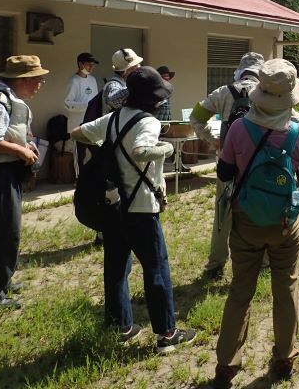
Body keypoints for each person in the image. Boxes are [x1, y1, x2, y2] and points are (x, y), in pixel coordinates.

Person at [72, 67, 196, 353]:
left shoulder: (114, 118)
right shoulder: (148, 123)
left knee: (116, 268)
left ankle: (121, 326)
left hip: (113, 205)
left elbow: (77, 133)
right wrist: (166, 149)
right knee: (156, 269)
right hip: (141, 205)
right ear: (153, 100)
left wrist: (107, 150)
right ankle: (166, 334)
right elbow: (141, 152)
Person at [213, 59, 299, 387]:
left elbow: (224, 173)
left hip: (245, 220)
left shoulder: (239, 128)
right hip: (285, 222)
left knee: (240, 290)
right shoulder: (296, 131)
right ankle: (284, 357)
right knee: (286, 286)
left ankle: (226, 365)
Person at [0, 55, 48, 312]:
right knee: (5, 234)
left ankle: (0, 282)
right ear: (22, 80)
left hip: (4, 174)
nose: (40, 84)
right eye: (37, 79)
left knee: (4, 232)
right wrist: (21, 151)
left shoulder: (9, 99)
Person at [189, 52, 264, 280]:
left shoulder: (223, 92)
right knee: (261, 209)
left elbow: (195, 116)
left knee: (223, 213)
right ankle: (264, 262)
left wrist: (212, 140)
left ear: (240, 70)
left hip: (227, 162)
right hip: (260, 163)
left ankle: (216, 264)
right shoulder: (267, 91)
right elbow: (292, 120)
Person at [64, 52, 100, 174]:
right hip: (77, 125)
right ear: (80, 64)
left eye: (92, 65)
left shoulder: (93, 80)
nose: (91, 67)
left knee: (97, 152)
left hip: (91, 124)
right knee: (80, 155)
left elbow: (95, 100)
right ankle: (79, 181)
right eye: (88, 64)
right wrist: (86, 106)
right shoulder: (73, 81)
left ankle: (92, 177)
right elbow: (68, 103)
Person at [103, 48, 143, 113]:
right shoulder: (113, 84)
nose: (139, 67)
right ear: (127, 69)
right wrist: (134, 86)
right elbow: (113, 100)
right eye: (136, 65)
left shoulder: (125, 82)